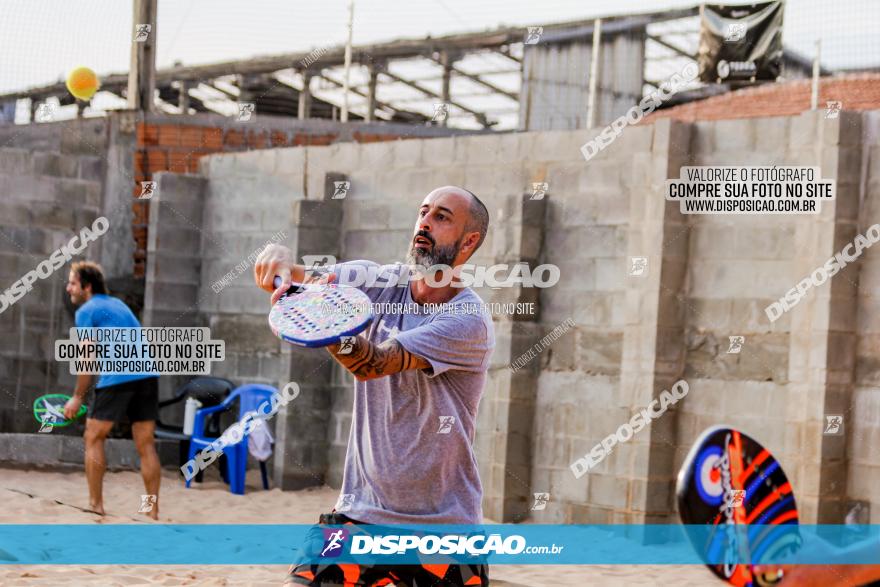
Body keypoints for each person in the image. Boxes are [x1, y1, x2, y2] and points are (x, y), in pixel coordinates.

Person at [255, 186, 495, 586]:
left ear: (469, 241)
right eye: (423, 211)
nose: (425, 222)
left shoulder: (467, 320)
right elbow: (302, 278)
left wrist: (322, 322)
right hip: (360, 514)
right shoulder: (380, 280)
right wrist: (280, 263)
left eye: (442, 217)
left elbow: (374, 363)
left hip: (441, 531)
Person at [62, 261, 161, 520]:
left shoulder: (87, 310)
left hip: (119, 376)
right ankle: (152, 510)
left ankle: (96, 506)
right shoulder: (119, 305)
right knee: (146, 444)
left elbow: (86, 360)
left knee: (93, 436)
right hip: (148, 374)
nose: (68, 288)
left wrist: (77, 397)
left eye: (73, 283)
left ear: (87, 286)